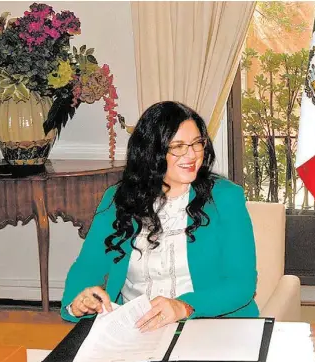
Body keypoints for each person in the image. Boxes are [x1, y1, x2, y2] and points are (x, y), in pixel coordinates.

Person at [61, 101, 258, 331]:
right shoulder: (118, 199)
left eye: (197, 143)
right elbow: (88, 266)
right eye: (178, 146)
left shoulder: (226, 198)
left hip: (212, 327)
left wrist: (184, 307)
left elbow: (241, 284)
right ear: (151, 152)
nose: (192, 154)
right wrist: (79, 302)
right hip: (137, 331)